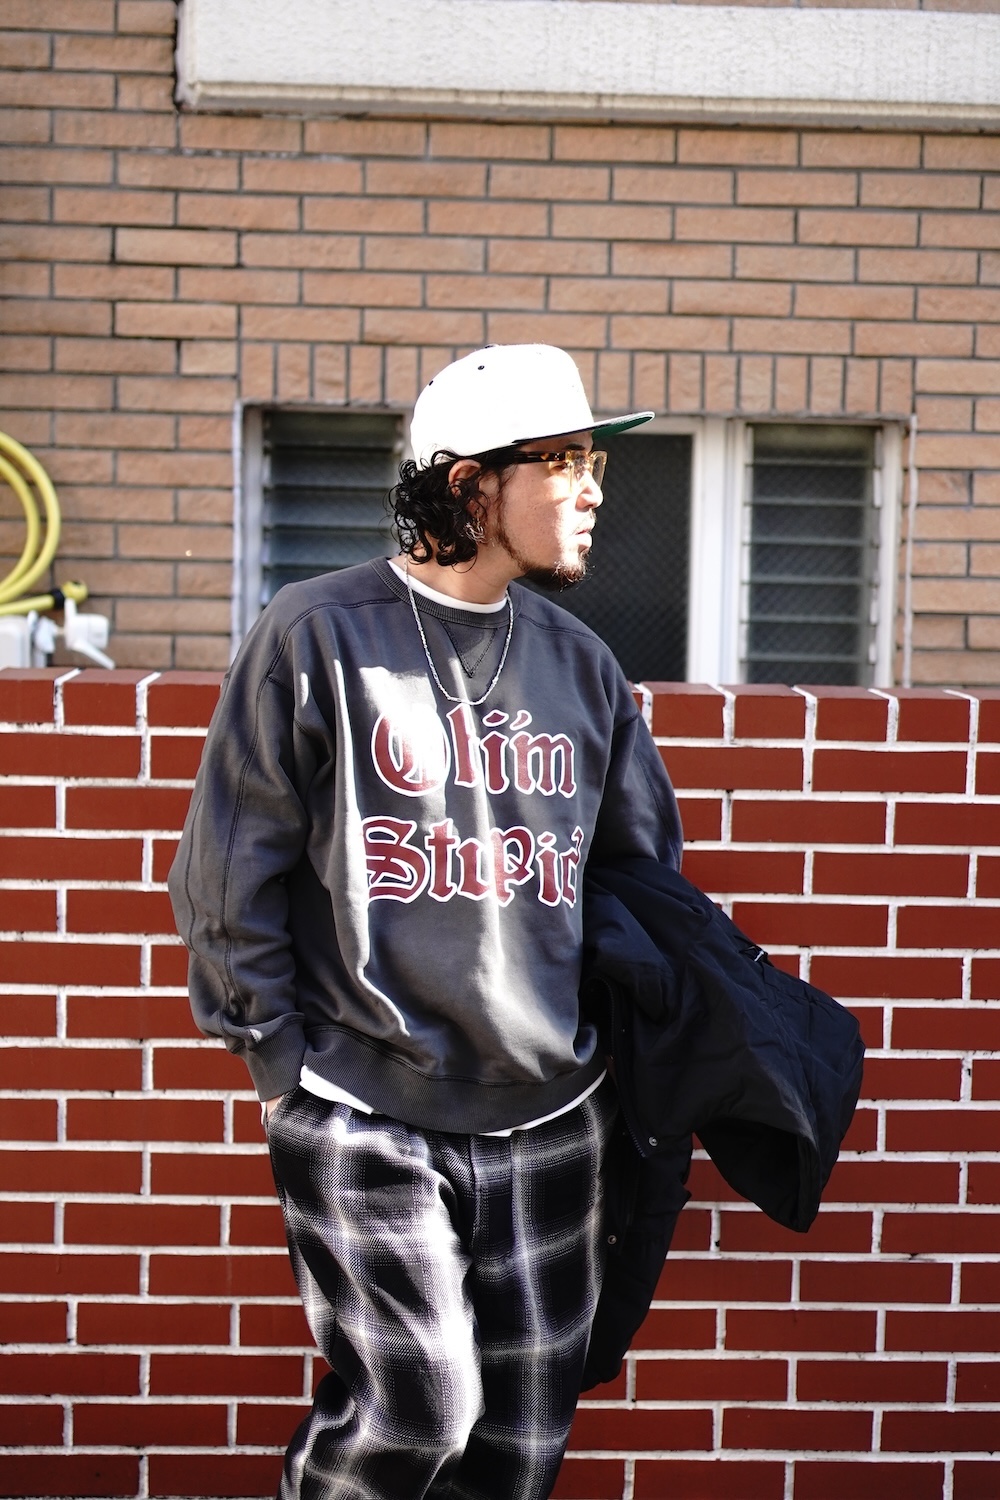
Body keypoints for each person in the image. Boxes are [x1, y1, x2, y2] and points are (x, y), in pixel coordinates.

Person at [169, 343, 683, 1500]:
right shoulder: (316, 634)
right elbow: (225, 870)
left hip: (553, 1110)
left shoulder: (584, 665)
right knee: (415, 1412)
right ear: (469, 484)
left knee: (519, 1448)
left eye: (595, 463)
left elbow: (643, 876)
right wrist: (282, 1068)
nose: (593, 491)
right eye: (565, 462)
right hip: (366, 1103)